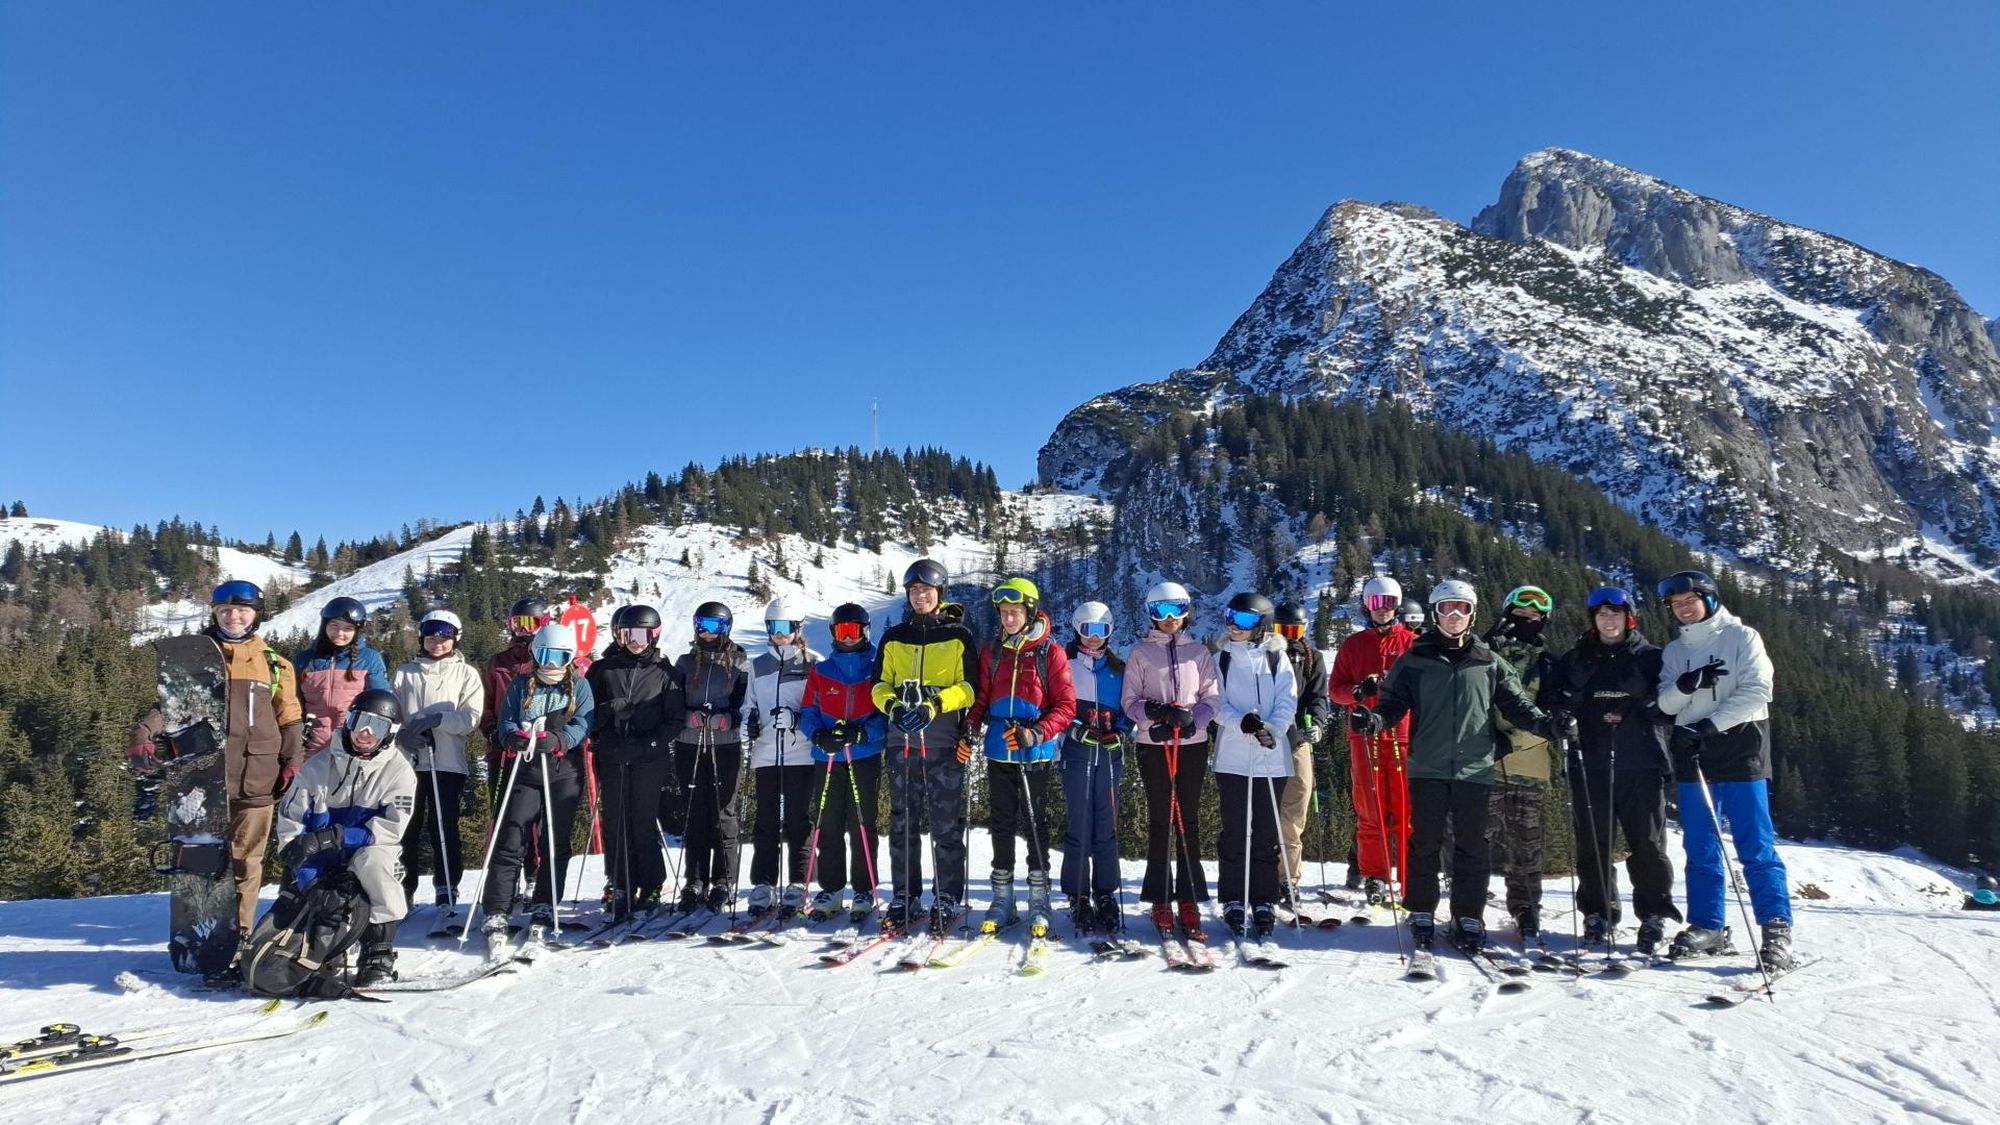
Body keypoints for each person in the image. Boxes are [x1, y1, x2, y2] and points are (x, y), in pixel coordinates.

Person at [1352, 579, 1559, 954]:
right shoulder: (1415, 659)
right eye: (1446, 608)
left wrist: (1546, 725)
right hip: (1427, 766)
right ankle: (1421, 911)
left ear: (1472, 614)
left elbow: (1516, 705)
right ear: (1435, 614)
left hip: (1475, 769)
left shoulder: (1488, 661)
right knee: (1424, 845)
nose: (1454, 615)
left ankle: (1468, 915)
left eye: (1461, 609)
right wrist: (1376, 721)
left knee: (1472, 847)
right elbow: (1392, 703)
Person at [127, 580, 305, 978]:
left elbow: (290, 717)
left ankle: (236, 935)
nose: (233, 617)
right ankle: (201, 931)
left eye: (242, 611)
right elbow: (169, 707)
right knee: (203, 859)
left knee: (247, 860)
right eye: (225, 611)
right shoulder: (195, 657)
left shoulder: (275, 663)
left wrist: (293, 761)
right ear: (215, 613)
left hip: (258, 775)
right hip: (203, 776)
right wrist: (143, 732)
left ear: (256, 614)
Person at [1654, 569, 1793, 971]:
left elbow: (1758, 689)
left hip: (1741, 749)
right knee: (1700, 847)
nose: (1682, 610)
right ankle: (1709, 926)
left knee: (1755, 846)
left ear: (1709, 599)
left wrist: (1710, 725)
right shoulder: (1674, 652)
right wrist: (1685, 687)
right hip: (1692, 753)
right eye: (1676, 605)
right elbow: (1664, 705)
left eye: (1689, 602)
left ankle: (1776, 928)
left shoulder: (1741, 637)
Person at [1540, 586, 1680, 955]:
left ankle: (1652, 915)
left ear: (1628, 617)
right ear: (1593, 619)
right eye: (1601, 614)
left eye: (1615, 614)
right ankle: (1598, 913)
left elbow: (1671, 704)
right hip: (1591, 762)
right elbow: (1553, 699)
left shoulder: (1651, 657)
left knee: (1647, 844)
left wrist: (1649, 706)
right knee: (1593, 843)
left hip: (1642, 762)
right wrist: (1562, 716)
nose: (1608, 620)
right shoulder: (1576, 659)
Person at [275, 688, 418, 986]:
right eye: (359, 721)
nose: (364, 733)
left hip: (364, 850)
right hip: (319, 857)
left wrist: (332, 837)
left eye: (376, 726)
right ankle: (310, 948)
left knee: (376, 862)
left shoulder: (399, 772)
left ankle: (377, 952)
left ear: (389, 732)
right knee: (301, 880)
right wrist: (311, 882)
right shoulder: (317, 767)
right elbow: (291, 828)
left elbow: (389, 830)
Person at [870, 558, 979, 933]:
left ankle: (947, 894)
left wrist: (935, 704)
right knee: (903, 822)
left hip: (944, 745)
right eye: (914, 591)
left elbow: (970, 688)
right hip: (900, 744)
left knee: (946, 825)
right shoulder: (894, 636)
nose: (920, 597)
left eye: (926, 591)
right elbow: (878, 685)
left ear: (940, 593)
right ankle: (905, 895)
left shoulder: (959, 636)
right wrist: (894, 706)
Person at [963, 577, 1076, 936]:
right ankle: (1003, 898)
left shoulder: (1050, 652)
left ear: (1029, 612)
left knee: (1035, 823)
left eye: (1015, 612)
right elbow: (981, 698)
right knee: (1001, 823)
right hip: (999, 749)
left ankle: (1039, 900)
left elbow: (1066, 706)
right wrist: (970, 727)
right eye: (1003, 613)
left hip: (1035, 752)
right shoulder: (993, 651)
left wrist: (1036, 732)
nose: (1008, 619)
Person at [479, 622, 595, 951]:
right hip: (525, 768)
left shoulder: (579, 687)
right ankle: (497, 907)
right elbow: (506, 721)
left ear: (570, 656)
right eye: (546, 655)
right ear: (536, 653)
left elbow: (584, 722)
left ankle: (546, 900)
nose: (552, 664)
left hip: (563, 770)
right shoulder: (522, 684)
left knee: (554, 840)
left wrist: (560, 739)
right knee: (512, 834)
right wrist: (514, 736)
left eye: (560, 656)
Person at [1121, 580, 1220, 937]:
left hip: (1191, 745)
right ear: (1151, 614)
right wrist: (1155, 715)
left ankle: (1189, 897)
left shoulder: (1200, 653)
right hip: (1154, 745)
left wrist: (1194, 722)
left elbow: (1212, 699)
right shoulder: (1140, 653)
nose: (1169, 618)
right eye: (1161, 612)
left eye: (1176, 609)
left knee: (1187, 820)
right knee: (1162, 818)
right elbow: (1129, 703)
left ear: (1187, 611)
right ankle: (1160, 897)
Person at [585, 604, 683, 920]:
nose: (635, 641)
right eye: (628, 634)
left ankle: (652, 884)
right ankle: (620, 882)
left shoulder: (666, 673)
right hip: (612, 756)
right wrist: (608, 712)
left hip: (648, 759)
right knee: (615, 823)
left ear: (654, 636)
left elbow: (675, 721)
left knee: (642, 822)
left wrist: (645, 744)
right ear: (618, 634)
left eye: (642, 634)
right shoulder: (603, 670)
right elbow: (585, 714)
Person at [1211, 593, 1299, 941]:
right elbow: (1214, 703)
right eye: (1230, 617)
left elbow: (1287, 700)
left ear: (1261, 625)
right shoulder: (1221, 660)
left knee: (1266, 831)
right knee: (1234, 830)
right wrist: (1240, 723)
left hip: (1271, 759)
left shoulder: (1277, 658)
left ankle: (1264, 899)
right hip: (1232, 757)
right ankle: (1233, 897)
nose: (1234, 626)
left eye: (1245, 621)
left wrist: (1271, 730)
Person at [1327, 576, 1419, 904]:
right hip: (1364, 735)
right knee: (1371, 809)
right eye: (1377, 603)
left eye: (1390, 603)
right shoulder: (1353, 645)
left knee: (1406, 809)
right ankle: (1376, 875)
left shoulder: (1410, 642)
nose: (1384, 610)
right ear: (1367, 605)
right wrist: (1356, 693)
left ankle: (1410, 876)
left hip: (1403, 734)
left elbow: (1424, 688)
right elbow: (1335, 690)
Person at [392, 609, 485, 924]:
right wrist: (401, 734)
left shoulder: (465, 674)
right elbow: (391, 713)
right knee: (406, 826)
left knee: (443, 825)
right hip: (407, 762)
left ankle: (447, 886)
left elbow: (470, 718)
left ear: (455, 639)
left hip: (447, 761)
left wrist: (440, 719)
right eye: (431, 637)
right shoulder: (406, 672)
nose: (437, 643)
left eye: (444, 638)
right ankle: (403, 888)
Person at [1477, 585, 1559, 944]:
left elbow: (1553, 720)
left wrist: (1509, 742)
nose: (1524, 622)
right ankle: (1469, 905)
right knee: (1475, 841)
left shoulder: (1548, 664)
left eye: (1533, 618)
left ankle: (1526, 909)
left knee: (1527, 845)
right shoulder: (1483, 653)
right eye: (1518, 616)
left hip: (1529, 765)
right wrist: (1485, 644)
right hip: (1483, 766)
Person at [798, 603, 887, 920]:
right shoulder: (823, 671)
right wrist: (818, 735)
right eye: (841, 632)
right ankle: (832, 888)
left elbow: (884, 713)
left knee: (862, 821)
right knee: (828, 820)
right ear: (834, 634)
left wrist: (863, 734)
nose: (848, 638)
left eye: (853, 631)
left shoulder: (876, 666)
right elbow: (808, 711)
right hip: (829, 756)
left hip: (864, 755)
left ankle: (864, 889)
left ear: (865, 632)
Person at [674, 600, 752, 914]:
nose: (708, 633)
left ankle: (723, 880)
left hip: (725, 744)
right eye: (702, 625)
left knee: (722, 812)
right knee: (693, 812)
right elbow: (671, 703)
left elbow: (746, 704)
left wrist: (729, 718)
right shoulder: (684, 662)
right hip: (689, 743)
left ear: (726, 628)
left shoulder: (739, 662)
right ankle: (694, 880)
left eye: (715, 626)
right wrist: (686, 716)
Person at [747, 596, 821, 918]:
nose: (780, 634)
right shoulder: (757, 664)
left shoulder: (812, 663)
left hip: (800, 753)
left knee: (797, 820)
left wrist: (796, 720)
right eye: (774, 627)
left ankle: (798, 883)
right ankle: (763, 883)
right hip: (765, 753)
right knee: (764, 821)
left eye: (786, 628)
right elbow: (748, 704)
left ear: (798, 628)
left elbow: (819, 709)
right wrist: (747, 721)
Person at [1061, 601, 1132, 934]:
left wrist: (1120, 729)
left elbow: (1129, 707)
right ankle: (1077, 893)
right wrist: (1076, 727)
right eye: (1088, 630)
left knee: (1106, 823)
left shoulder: (1119, 667)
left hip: (1108, 753)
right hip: (1077, 751)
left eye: (1102, 631)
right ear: (1077, 629)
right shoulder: (1065, 663)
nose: (1094, 638)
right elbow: (1055, 705)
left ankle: (1105, 893)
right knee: (1080, 821)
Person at [483, 595, 552, 911]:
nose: (523, 630)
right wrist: (493, 731)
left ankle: (535, 878)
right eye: (517, 623)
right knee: (506, 820)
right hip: (504, 752)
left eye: (531, 623)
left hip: (539, 752)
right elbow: (486, 704)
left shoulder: (548, 660)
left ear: (544, 625)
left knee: (535, 820)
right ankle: (505, 885)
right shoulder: (499, 662)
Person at [1271, 600, 1330, 904]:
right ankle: (1261, 873)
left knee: (1294, 809)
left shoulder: (1310, 657)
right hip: (1267, 738)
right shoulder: (1264, 654)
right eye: (1284, 629)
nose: (1290, 635)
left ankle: (1287, 878)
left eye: (1296, 629)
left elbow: (1319, 696)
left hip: (1297, 740)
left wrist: (1316, 723)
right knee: (1265, 808)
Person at [292, 597, 391, 759]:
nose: (339, 633)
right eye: (334, 626)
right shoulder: (304, 660)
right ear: (325, 626)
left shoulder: (369, 659)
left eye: (347, 628)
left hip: (352, 744)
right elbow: (294, 702)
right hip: (312, 745)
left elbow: (379, 705)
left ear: (356, 631)